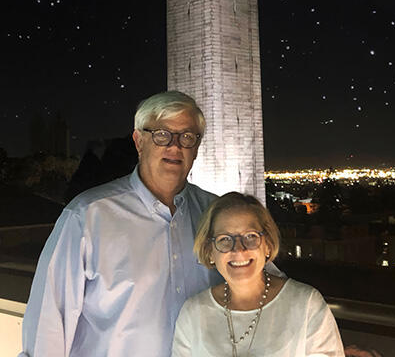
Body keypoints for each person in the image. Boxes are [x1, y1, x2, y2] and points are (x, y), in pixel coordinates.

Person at [19, 91, 280, 357]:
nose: (175, 147)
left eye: (187, 137)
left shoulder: (217, 214)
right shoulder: (86, 217)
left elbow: (269, 286)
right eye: (162, 134)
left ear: (197, 148)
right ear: (139, 141)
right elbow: (48, 325)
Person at [172, 192, 345, 357]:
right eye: (224, 239)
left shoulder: (307, 306)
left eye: (250, 236)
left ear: (268, 244)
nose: (239, 249)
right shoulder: (193, 313)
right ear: (210, 251)